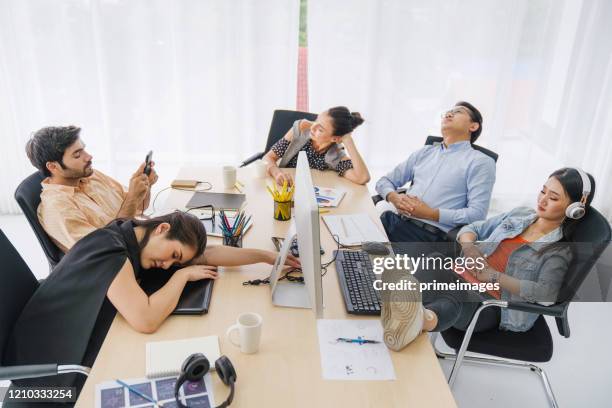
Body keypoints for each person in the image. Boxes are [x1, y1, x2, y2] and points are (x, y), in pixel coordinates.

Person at [4, 211, 299, 395]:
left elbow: (209, 254)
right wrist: (181, 276)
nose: (167, 264)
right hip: (47, 377)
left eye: (176, 261)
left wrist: (267, 257)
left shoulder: (134, 232)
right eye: (173, 255)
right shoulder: (112, 250)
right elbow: (145, 320)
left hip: (66, 334)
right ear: (161, 229)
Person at [381, 168, 595, 351]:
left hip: (493, 307)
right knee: (436, 260)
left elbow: (546, 295)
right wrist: (470, 248)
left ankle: (413, 317)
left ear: (574, 208)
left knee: (453, 290)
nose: (543, 200)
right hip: (463, 276)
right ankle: (408, 315)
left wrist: (493, 276)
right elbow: (471, 228)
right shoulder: (520, 215)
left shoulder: (559, 250)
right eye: (543, 191)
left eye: (554, 198)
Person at [375, 101, 496, 244]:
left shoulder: (481, 162)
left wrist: (431, 214)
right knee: (347, 242)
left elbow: (477, 214)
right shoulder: (424, 152)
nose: (449, 114)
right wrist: (393, 197)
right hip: (393, 221)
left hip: (425, 238)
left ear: (473, 126)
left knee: (365, 260)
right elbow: (384, 182)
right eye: (447, 113)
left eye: (458, 112)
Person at [25, 125, 158, 252]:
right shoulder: (57, 207)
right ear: (53, 167)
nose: (88, 157)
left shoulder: (91, 176)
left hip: (145, 236)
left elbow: (139, 208)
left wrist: (146, 185)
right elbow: (108, 249)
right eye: (77, 155)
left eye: (83, 149)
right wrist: (133, 197)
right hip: (123, 261)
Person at [262, 106, 371, 185]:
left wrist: (347, 139)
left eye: (320, 129)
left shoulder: (335, 155)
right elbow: (268, 157)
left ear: (335, 138)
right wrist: (277, 174)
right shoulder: (301, 129)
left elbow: (362, 178)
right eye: (317, 120)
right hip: (282, 188)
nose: (313, 128)